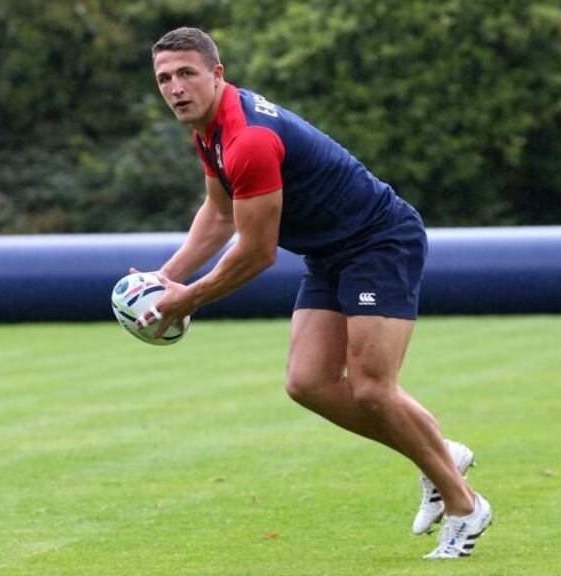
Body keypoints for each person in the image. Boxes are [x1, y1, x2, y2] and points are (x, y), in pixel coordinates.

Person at [139, 26, 491, 559]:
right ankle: (439, 453)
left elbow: (257, 253)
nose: (175, 87)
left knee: (372, 388)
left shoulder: (248, 138)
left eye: (187, 73)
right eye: (165, 78)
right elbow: (219, 212)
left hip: (379, 243)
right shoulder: (209, 131)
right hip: (329, 254)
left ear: (217, 74)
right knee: (307, 383)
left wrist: (188, 299)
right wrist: (165, 278)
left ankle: (466, 507)